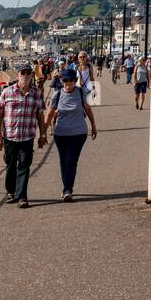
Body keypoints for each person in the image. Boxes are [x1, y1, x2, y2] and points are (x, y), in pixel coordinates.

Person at [0, 64, 46, 208]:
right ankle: (11, 192)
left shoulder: (37, 93)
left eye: (28, 73)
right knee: (10, 165)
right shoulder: (7, 92)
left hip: (27, 137)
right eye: (22, 72)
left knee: (24, 165)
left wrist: (42, 135)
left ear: (32, 75)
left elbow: (40, 115)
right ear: (17, 75)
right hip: (9, 137)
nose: (25, 75)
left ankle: (22, 196)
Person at [46, 69, 97, 202]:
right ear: (61, 81)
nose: (68, 83)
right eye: (65, 81)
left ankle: (68, 189)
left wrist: (93, 126)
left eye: (71, 80)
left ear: (75, 80)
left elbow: (88, 108)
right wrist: (42, 133)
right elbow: (49, 113)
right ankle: (66, 187)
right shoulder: (57, 95)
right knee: (63, 161)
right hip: (60, 133)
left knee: (71, 160)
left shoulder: (80, 92)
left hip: (78, 133)